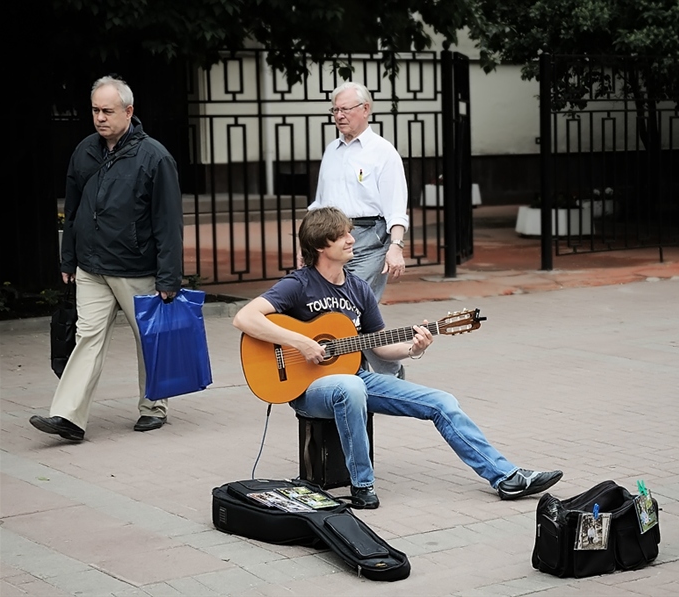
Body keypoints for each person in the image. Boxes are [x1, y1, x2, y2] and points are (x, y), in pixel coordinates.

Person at [233, 207, 562, 509]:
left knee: (441, 401)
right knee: (350, 387)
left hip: (358, 379)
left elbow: (379, 345)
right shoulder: (298, 285)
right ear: (321, 245)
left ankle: (506, 477)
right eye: (342, 235)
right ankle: (362, 486)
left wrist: (413, 349)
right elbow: (244, 318)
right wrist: (301, 342)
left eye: (350, 233)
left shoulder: (358, 288)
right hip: (308, 389)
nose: (352, 239)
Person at [30, 75, 184, 442]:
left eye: (108, 111)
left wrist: (169, 278)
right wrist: (68, 259)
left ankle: (153, 407)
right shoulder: (85, 150)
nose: (100, 117)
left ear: (128, 112)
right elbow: (72, 209)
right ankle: (68, 416)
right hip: (91, 266)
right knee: (87, 338)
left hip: (136, 267)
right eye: (95, 110)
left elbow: (168, 222)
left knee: (148, 340)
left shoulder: (155, 157)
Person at [306, 81, 408, 377]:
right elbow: (320, 203)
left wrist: (396, 247)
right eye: (335, 110)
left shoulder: (382, 152)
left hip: (370, 239)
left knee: (349, 308)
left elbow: (396, 207)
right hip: (330, 239)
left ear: (365, 109)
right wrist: (307, 245)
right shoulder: (332, 151)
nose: (339, 116)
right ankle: (385, 372)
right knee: (335, 309)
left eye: (345, 109)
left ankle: (366, 373)